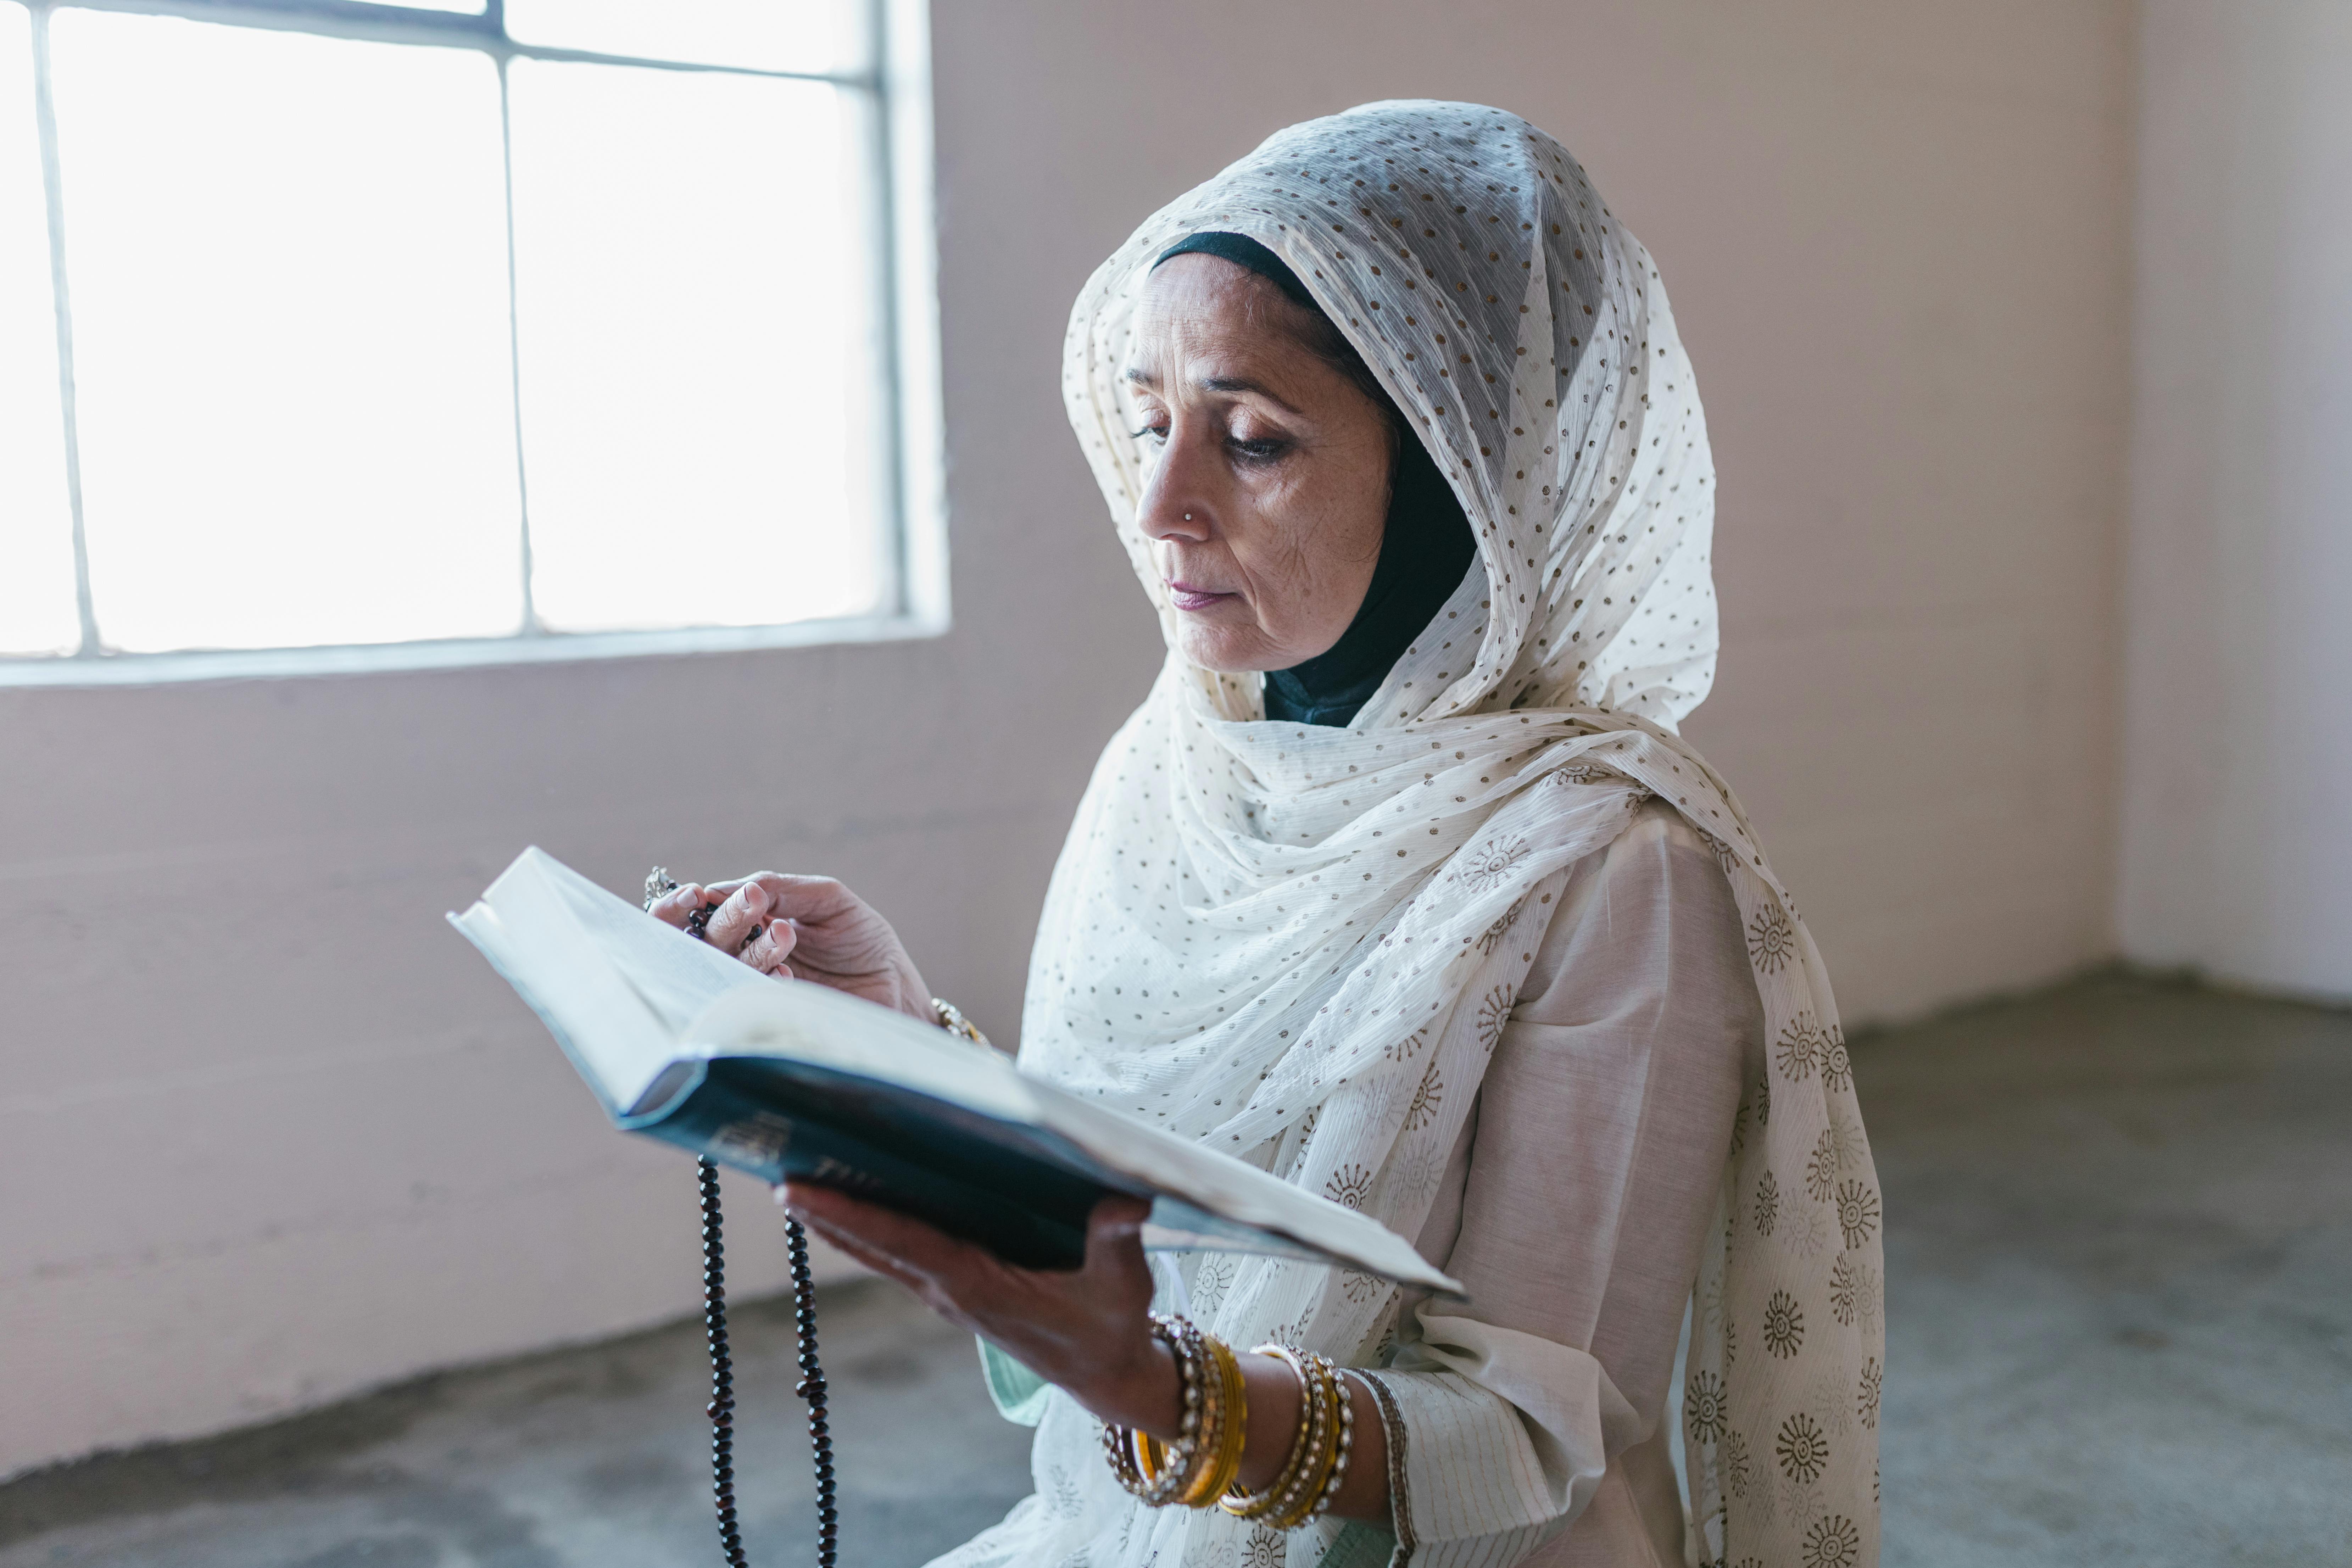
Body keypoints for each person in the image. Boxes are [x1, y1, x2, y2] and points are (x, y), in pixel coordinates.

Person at [653, 101, 1883, 1568]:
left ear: (1464, 472)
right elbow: (1144, 1208)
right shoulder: (1186, 763)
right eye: (1148, 421)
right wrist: (907, 1050)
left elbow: (1534, 1440)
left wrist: (1152, 1387)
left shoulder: (1616, 872)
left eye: (1252, 439)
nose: (1165, 505)